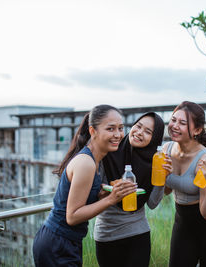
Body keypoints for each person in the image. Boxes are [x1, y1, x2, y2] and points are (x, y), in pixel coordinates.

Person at [32, 104, 137, 267]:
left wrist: (101, 195)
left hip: (65, 241)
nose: (118, 134)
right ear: (93, 131)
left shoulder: (96, 160)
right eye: (110, 129)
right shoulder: (86, 163)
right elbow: (72, 216)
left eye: (121, 128)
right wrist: (111, 199)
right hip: (57, 243)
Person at [163, 101, 206, 267]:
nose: (174, 126)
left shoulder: (205, 160)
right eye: (173, 120)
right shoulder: (166, 149)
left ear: (197, 130)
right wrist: (162, 174)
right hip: (182, 223)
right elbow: (166, 191)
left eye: (182, 123)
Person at [94, 112, 168, 267]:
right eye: (138, 126)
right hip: (107, 232)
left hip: (137, 232)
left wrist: (162, 177)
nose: (140, 132)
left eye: (148, 132)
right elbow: (94, 193)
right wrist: (110, 192)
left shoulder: (155, 161)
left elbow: (153, 204)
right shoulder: (108, 152)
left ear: (154, 139)